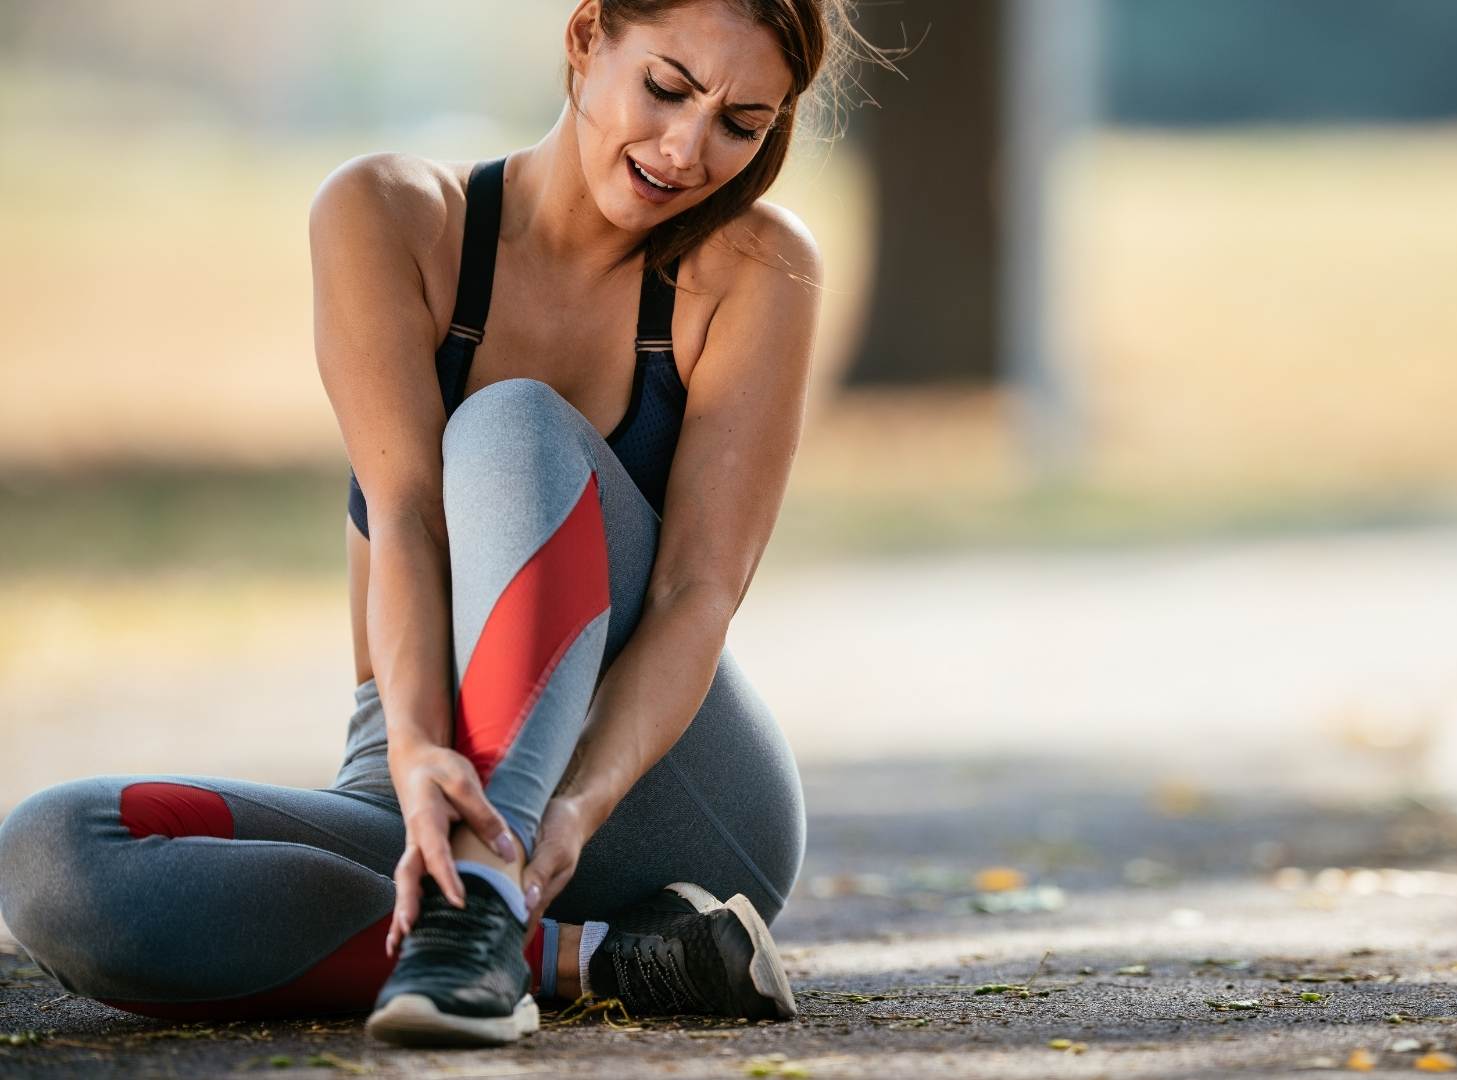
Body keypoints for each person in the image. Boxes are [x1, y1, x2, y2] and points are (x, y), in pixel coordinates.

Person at [0, 0, 861, 1048]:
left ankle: (491, 903)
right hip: (413, 773)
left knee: (511, 425)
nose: (687, 149)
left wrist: (564, 814)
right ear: (588, 38)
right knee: (53, 856)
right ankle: (594, 955)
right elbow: (405, 513)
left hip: (655, 792)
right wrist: (412, 752)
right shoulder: (391, 214)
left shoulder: (755, 269)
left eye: (742, 122)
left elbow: (698, 593)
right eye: (668, 88)